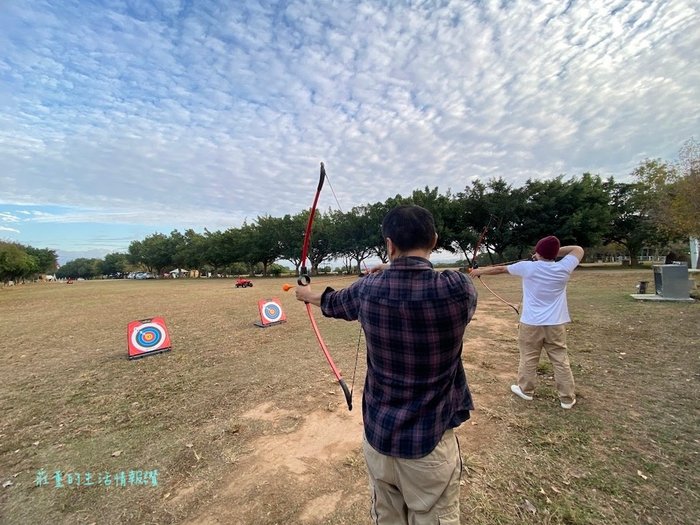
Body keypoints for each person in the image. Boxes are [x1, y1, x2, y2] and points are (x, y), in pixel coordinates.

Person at [295, 204, 478, 524]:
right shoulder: (457, 289)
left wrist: (306, 294)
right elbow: (439, 279)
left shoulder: (367, 290)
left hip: (380, 439)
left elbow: (331, 302)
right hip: (429, 443)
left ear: (389, 245)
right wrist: (393, 267)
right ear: (434, 240)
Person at [470, 236, 584, 409]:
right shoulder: (564, 267)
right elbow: (577, 249)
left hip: (531, 323)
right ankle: (567, 399)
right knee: (560, 360)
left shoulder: (528, 267)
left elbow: (500, 269)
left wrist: (478, 272)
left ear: (538, 251)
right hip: (555, 324)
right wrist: (552, 251)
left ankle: (526, 390)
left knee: (529, 357)